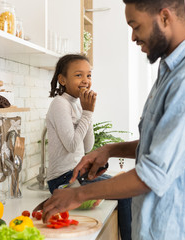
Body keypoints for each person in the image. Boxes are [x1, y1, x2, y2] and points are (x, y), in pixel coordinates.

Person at [40, 0, 185, 239]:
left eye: (136, 26)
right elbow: (161, 145)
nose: (133, 37)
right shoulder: (171, 73)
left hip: (176, 231)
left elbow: (153, 173)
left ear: (164, 17)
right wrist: (110, 149)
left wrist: (76, 194)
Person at [45, 54, 132, 240]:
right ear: (62, 80)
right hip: (63, 179)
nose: (85, 80)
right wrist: (87, 112)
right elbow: (71, 145)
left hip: (76, 174)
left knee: (124, 184)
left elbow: (87, 146)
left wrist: (87, 112)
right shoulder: (59, 104)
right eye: (78, 75)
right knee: (125, 193)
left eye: (89, 75)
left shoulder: (76, 104)